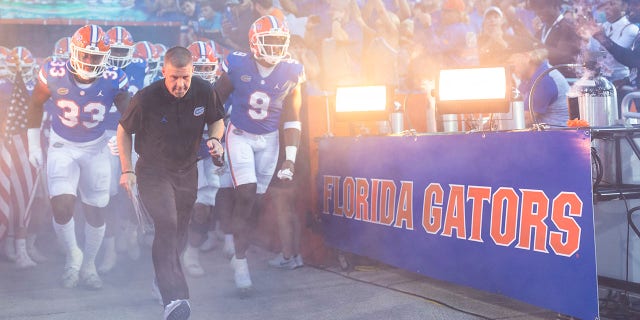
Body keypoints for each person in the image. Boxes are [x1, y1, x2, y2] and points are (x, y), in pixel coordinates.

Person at [117, 46, 225, 319]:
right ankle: (174, 299)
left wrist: (215, 139)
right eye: (175, 77)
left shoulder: (204, 89)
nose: (181, 84)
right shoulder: (146, 98)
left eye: (185, 77)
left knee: (180, 233)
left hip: (187, 171)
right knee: (167, 225)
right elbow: (123, 131)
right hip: (153, 171)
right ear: (164, 71)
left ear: (192, 72)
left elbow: (217, 121)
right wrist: (127, 169)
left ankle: (161, 276)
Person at [26, 24, 131, 290]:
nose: (88, 61)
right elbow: (36, 104)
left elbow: (129, 115)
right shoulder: (54, 71)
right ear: (73, 52)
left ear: (105, 59)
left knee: (96, 210)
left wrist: (123, 138)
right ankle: (74, 256)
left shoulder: (114, 77)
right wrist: (33, 145)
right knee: (61, 205)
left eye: (95, 57)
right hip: (63, 144)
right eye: (84, 54)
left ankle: (89, 265)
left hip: (96, 146)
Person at [212, 14, 304, 292]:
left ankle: (233, 237)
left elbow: (292, 117)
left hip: (270, 139)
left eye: (280, 42)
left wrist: (290, 157)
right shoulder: (238, 63)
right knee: (247, 192)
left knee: (254, 201)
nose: (276, 48)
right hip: (239, 134)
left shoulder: (292, 70)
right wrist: (213, 136)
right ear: (254, 43)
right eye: (270, 42)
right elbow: (215, 99)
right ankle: (240, 262)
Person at [181, 40, 221, 277]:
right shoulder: (176, 86)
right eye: (200, 68)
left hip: (209, 154)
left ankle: (191, 252)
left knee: (203, 210)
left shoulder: (222, 88)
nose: (205, 73)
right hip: (182, 154)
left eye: (209, 68)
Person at [507, 43, 570, 127]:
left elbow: (524, 119)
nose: (511, 68)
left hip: (555, 134)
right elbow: (517, 106)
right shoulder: (529, 76)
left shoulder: (543, 79)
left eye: (512, 62)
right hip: (543, 132)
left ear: (526, 57)